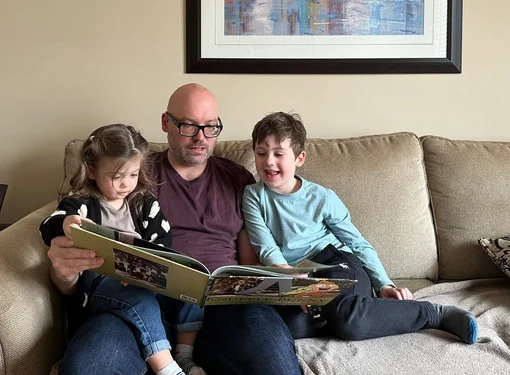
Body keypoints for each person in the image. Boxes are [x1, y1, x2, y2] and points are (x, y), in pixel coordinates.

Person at [46, 84, 301, 375]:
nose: (201, 138)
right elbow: (74, 261)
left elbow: (249, 262)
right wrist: (64, 273)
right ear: (166, 122)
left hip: (223, 309)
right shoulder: (131, 173)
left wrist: (278, 282)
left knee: (275, 363)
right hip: (138, 302)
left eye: (211, 127)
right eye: (189, 126)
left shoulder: (237, 178)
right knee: (86, 368)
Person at [242, 111, 478, 344]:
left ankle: (434, 313)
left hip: (335, 262)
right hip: (296, 274)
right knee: (292, 327)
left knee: (349, 321)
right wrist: (291, 280)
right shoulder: (253, 196)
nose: (268, 161)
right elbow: (267, 247)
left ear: (299, 158)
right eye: (261, 153)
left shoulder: (322, 197)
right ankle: (350, 312)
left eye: (278, 154)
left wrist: (383, 284)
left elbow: (356, 242)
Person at [40, 124, 206, 375]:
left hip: (144, 282)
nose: (126, 184)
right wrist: (66, 224)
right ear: (93, 171)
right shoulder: (81, 204)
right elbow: (48, 226)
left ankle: (184, 354)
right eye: (117, 177)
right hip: (98, 286)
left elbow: (163, 242)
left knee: (194, 289)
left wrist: (156, 270)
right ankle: (167, 368)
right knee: (139, 299)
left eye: (133, 174)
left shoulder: (144, 204)